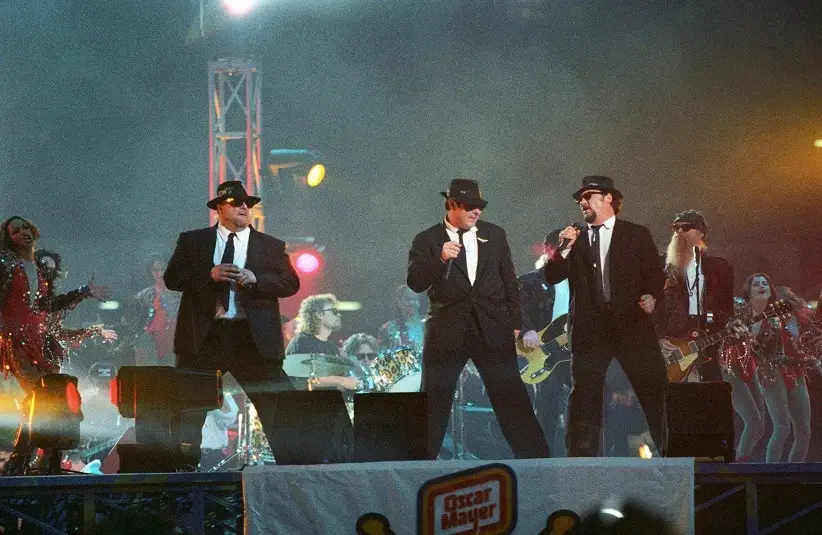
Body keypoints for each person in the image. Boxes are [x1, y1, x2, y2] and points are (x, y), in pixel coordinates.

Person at [407, 178, 549, 459]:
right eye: (470, 206)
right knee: (434, 399)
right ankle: (417, 466)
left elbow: (510, 281)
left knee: (511, 397)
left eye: (480, 206)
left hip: (492, 327)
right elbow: (415, 282)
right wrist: (440, 259)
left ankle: (538, 463)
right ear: (451, 205)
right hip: (447, 331)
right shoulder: (427, 239)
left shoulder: (495, 235)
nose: (477, 212)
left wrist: (517, 323)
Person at [164, 180, 300, 469]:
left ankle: (293, 469)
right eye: (237, 203)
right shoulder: (194, 241)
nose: (244, 208)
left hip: (252, 339)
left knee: (278, 407)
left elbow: (290, 283)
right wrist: (209, 275)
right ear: (220, 208)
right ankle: (182, 474)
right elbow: (172, 278)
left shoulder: (270, 245)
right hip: (206, 336)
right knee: (188, 410)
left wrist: (257, 280)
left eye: (247, 204)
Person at [544, 176, 666, 457]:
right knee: (584, 395)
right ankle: (580, 461)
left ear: (608, 198)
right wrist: (563, 247)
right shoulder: (573, 238)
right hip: (590, 330)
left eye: (588, 196)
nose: (582, 203)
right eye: (580, 199)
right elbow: (552, 276)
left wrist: (652, 295)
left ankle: (672, 453)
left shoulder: (636, 234)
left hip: (632, 325)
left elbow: (654, 274)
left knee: (653, 389)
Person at [0, 216, 110, 475]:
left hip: (39, 343)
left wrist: (83, 292)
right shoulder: (5, 264)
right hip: (15, 343)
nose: (23, 233)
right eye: (16, 231)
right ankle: (23, 458)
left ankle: (41, 457)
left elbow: (46, 306)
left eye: (25, 227)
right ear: (9, 238)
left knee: (50, 400)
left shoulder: (39, 269)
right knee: (41, 397)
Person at [722, 274, 816, 462]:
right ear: (748, 291)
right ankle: (750, 471)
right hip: (736, 371)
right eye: (756, 284)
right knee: (769, 426)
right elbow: (722, 319)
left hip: (764, 371)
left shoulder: (773, 321)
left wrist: (805, 360)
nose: (761, 286)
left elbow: (769, 354)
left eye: (765, 283)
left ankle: (789, 477)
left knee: (800, 430)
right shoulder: (738, 306)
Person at [655, 210, 735, 382]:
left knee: (710, 400)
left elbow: (726, 308)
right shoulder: (661, 267)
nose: (679, 232)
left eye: (686, 227)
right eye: (675, 228)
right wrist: (659, 337)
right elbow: (651, 308)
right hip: (673, 347)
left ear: (701, 232)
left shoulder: (719, 267)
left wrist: (731, 325)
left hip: (707, 344)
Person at [518, 229, 572, 456]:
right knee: (547, 409)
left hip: (574, 352)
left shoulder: (583, 282)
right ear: (548, 249)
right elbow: (512, 308)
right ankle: (543, 461)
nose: (566, 253)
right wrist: (526, 330)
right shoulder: (529, 281)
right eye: (561, 247)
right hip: (544, 352)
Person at [285, 293, 360, 391]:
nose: (338, 314)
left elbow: (332, 382)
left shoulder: (332, 347)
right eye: (334, 311)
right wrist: (343, 380)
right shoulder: (301, 342)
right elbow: (309, 380)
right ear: (319, 314)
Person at [134, 255, 180, 366]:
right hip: (151, 346)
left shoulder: (182, 294)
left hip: (176, 344)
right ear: (151, 272)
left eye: (163, 269)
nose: (160, 274)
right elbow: (135, 324)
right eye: (156, 270)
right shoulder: (143, 296)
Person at [199, 391, 239, 471]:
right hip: (193, 455)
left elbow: (231, 414)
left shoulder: (222, 394)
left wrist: (221, 392)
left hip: (214, 455)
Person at [378, 285, 425, 351]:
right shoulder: (388, 329)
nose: (412, 302)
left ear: (419, 302)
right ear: (399, 302)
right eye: (408, 299)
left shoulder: (430, 325)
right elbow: (381, 355)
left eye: (415, 299)